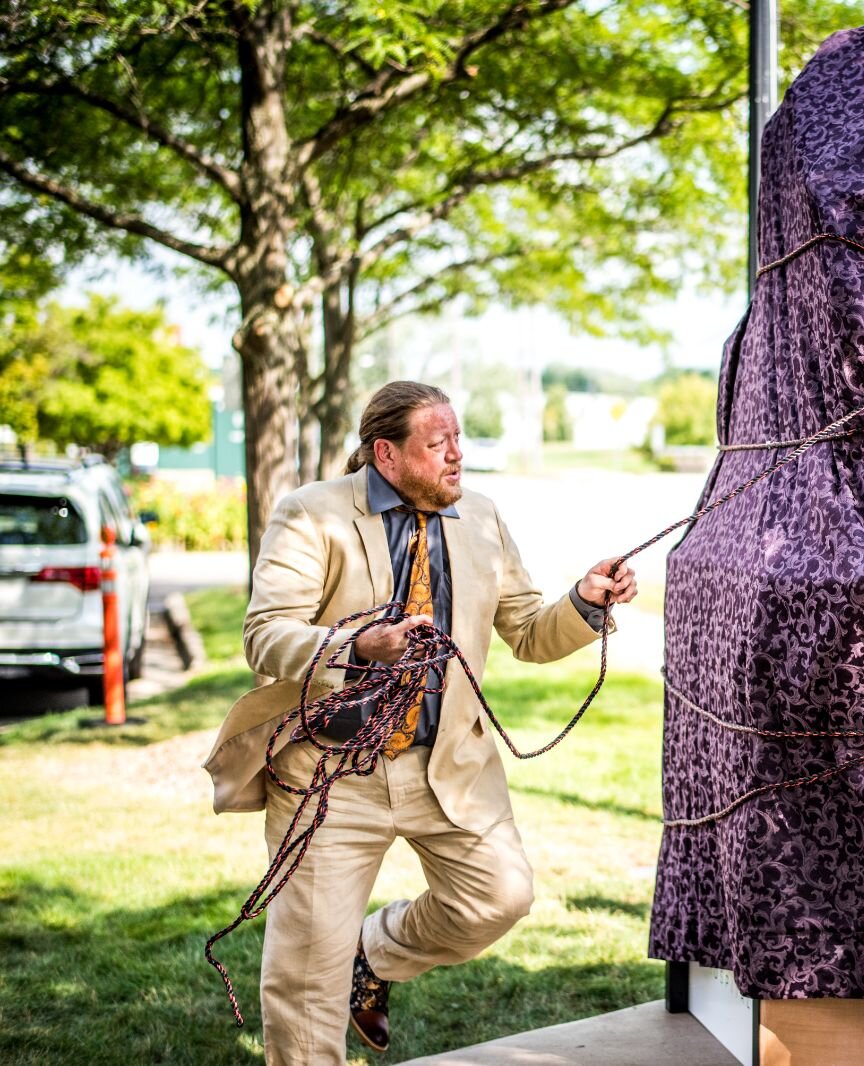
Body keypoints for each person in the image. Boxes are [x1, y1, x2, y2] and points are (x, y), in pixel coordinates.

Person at [202, 380, 637, 1064]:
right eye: (438, 445)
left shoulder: (484, 518)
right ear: (386, 454)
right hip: (328, 776)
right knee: (304, 980)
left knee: (499, 897)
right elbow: (264, 634)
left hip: (447, 771)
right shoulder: (311, 513)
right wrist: (354, 646)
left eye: (458, 440)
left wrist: (583, 603)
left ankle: (371, 957)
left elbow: (527, 632)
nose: (457, 456)